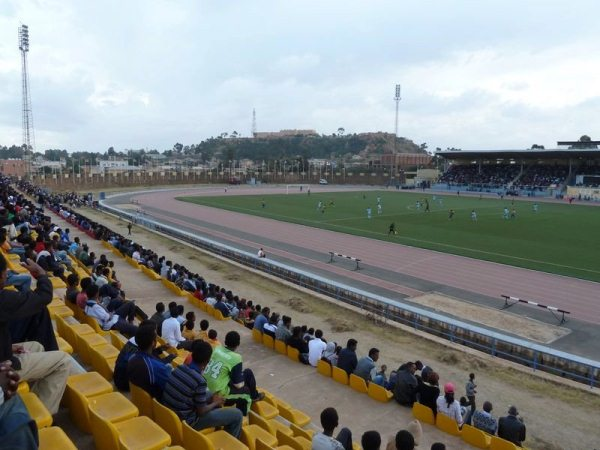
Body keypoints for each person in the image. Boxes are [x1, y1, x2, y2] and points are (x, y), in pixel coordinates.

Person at [0, 255, 83, 414]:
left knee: (37, 346)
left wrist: (7, 348)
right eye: (4, 275)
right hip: (4, 369)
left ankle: (39, 396)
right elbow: (43, 297)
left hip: (4, 355)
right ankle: (40, 416)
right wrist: (42, 275)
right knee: (62, 361)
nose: (5, 280)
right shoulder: (2, 299)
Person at [162, 340, 243, 438]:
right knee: (237, 414)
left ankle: (218, 427)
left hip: (171, 414)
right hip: (189, 422)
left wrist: (213, 400)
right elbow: (201, 412)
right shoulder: (200, 381)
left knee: (211, 394)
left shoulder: (180, 368)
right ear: (207, 361)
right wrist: (216, 403)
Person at [203, 331, 264, 415]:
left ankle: (255, 396)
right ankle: (243, 419)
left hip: (205, 385)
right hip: (217, 394)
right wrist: (242, 381)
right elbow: (238, 385)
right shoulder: (236, 358)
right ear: (238, 344)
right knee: (246, 392)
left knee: (248, 372)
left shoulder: (217, 348)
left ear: (225, 341)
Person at [126, 324, 172, 399]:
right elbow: (169, 388)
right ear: (153, 343)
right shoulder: (157, 367)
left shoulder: (131, 357)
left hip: (139, 397)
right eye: (156, 338)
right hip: (156, 401)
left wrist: (160, 349)